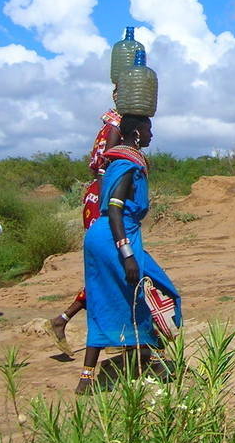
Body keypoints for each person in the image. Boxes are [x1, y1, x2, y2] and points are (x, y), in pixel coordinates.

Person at [76, 114, 181, 394]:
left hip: (103, 235)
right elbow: (115, 209)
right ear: (136, 132)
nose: (151, 135)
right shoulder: (127, 165)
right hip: (116, 235)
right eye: (148, 129)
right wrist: (127, 253)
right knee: (151, 292)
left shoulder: (116, 162)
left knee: (106, 299)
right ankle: (150, 360)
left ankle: (89, 378)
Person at [46, 104, 122, 355]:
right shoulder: (117, 127)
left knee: (110, 269)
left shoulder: (109, 126)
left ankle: (71, 322)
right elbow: (105, 169)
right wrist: (109, 207)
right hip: (103, 201)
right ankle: (70, 322)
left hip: (98, 198)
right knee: (111, 268)